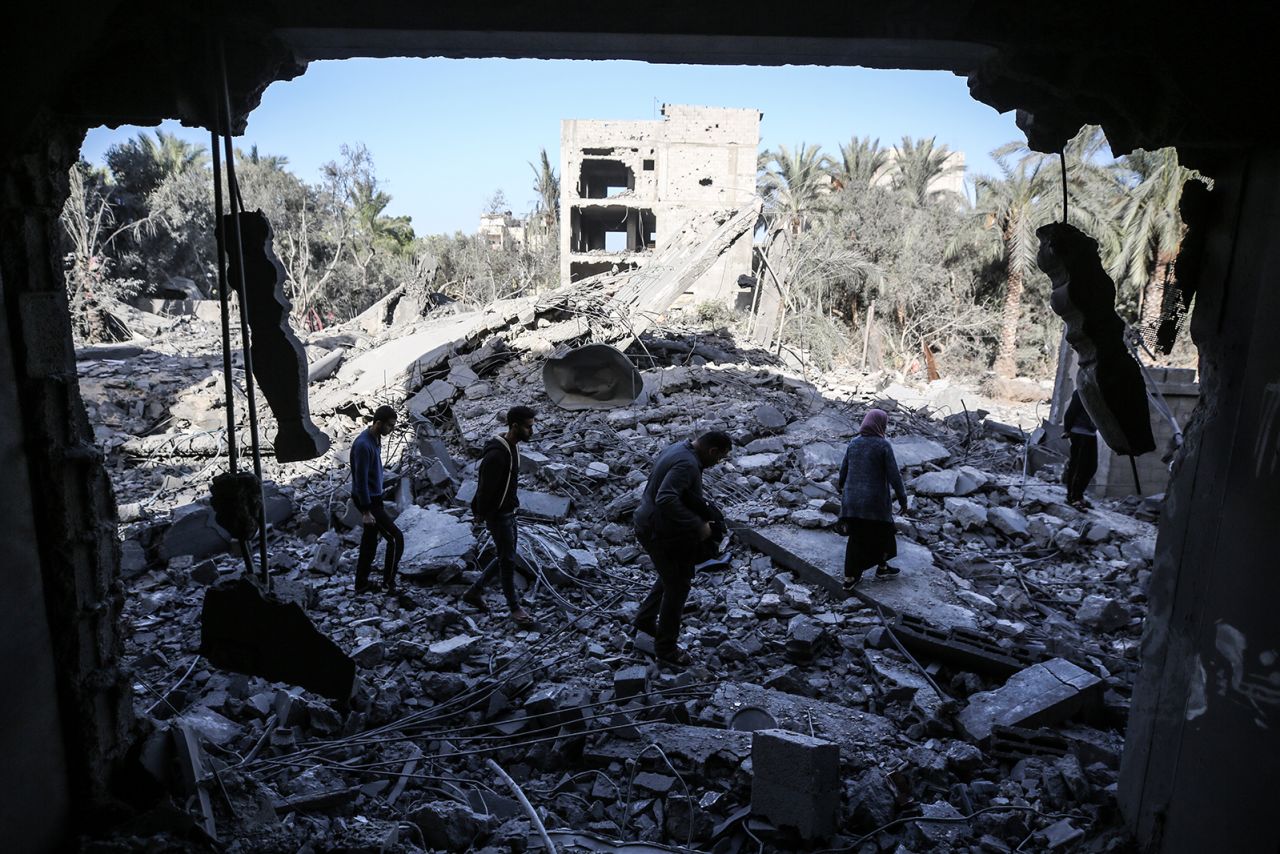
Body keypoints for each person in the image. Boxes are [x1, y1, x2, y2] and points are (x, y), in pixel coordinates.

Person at [632, 431, 733, 667]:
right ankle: (666, 650)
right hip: (656, 530)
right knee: (678, 585)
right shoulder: (687, 464)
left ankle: (645, 619)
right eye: (719, 459)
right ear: (713, 451)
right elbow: (666, 498)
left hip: (648, 522)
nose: (717, 463)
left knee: (671, 574)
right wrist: (698, 524)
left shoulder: (679, 448)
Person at [463, 406, 538, 626]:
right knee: (507, 560)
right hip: (498, 514)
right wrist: (479, 512)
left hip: (508, 511)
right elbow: (484, 487)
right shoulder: (497, 454)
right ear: (515, 426)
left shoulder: (512, 447)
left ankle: (475, 591)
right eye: (528, 427)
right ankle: (514, 607)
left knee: (506, 555)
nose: (531, 431)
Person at [837, 409, 908, 589]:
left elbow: (843, 470)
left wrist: (842, 489)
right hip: (874, 503)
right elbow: (894, 475)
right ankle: (869, 571)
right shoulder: (883, 445)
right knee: (884, 534)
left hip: (852, 502)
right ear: (880, 424)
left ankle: (856, 576)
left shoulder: (853, 443)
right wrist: (902, 498)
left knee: (857, 537)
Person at [351, 404, 405, 594]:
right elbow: (360, 480)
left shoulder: (375, 439)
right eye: (389, 426)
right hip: (368, 500)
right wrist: (366, 511)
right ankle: (388, 584)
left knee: (370, 542)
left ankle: (361, 584)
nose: (391, 430)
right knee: (396, 538)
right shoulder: (363, 445)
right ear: (378, 423)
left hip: (373, 497)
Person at [1062, 389, 1098, 508]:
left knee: (1091, 466)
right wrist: (1067, 430)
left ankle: (1079, 495)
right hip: (1079, 432)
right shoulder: (1082, 391)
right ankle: (1072, 497)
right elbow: (1071, 412)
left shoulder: (1101, 393)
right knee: (1078, 466)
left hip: (1091, 434)